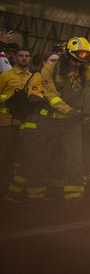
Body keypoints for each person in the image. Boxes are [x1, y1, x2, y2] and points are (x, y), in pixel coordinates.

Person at [26, 37, 90, 203]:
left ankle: (73, 196)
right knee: (41, 157)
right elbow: (51, 96)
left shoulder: (84, 69)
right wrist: (69, 111)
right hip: (49, 121)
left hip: (71, 123)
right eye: (76, 60)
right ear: (67, 56)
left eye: (83, 61)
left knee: (74, 158)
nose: (78, 64)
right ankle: (35, 194)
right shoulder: (49, 70)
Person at [1, 45, 34, 202]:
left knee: (15, 159)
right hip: (5, 124)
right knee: (3, 157)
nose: (24, 58)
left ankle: (9, 190)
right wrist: (7, 100)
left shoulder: (32, 78)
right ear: (15, 58)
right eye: (21, 55)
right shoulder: (6, 76)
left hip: (22, 125)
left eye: (27, 56)